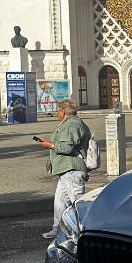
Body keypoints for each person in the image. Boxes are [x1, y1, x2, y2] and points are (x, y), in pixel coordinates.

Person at [37, 99, 90, 240]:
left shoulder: (72, 124)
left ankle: (86, 231)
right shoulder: (68, 123)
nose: (57, 113)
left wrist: (50, 145)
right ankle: (58, 229)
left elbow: (67, 148)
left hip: (72, 169)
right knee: (60, 201)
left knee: (77, 202)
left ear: (64, 111)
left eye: (59, 110)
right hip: (65, 170)